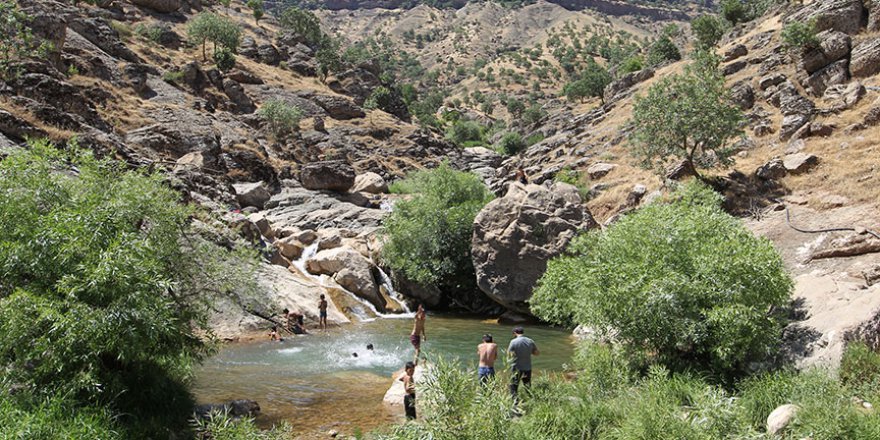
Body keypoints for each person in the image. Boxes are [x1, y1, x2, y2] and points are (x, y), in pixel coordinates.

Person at [508, 326, 539, 399]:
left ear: (515, 333)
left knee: (514, 385)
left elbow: (509, 354)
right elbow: (536, 353)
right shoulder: (530, 341)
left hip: (516, 367)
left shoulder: (513, 341)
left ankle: (515, 401)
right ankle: (530, 399)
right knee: (527, 385)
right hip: (527, 367)